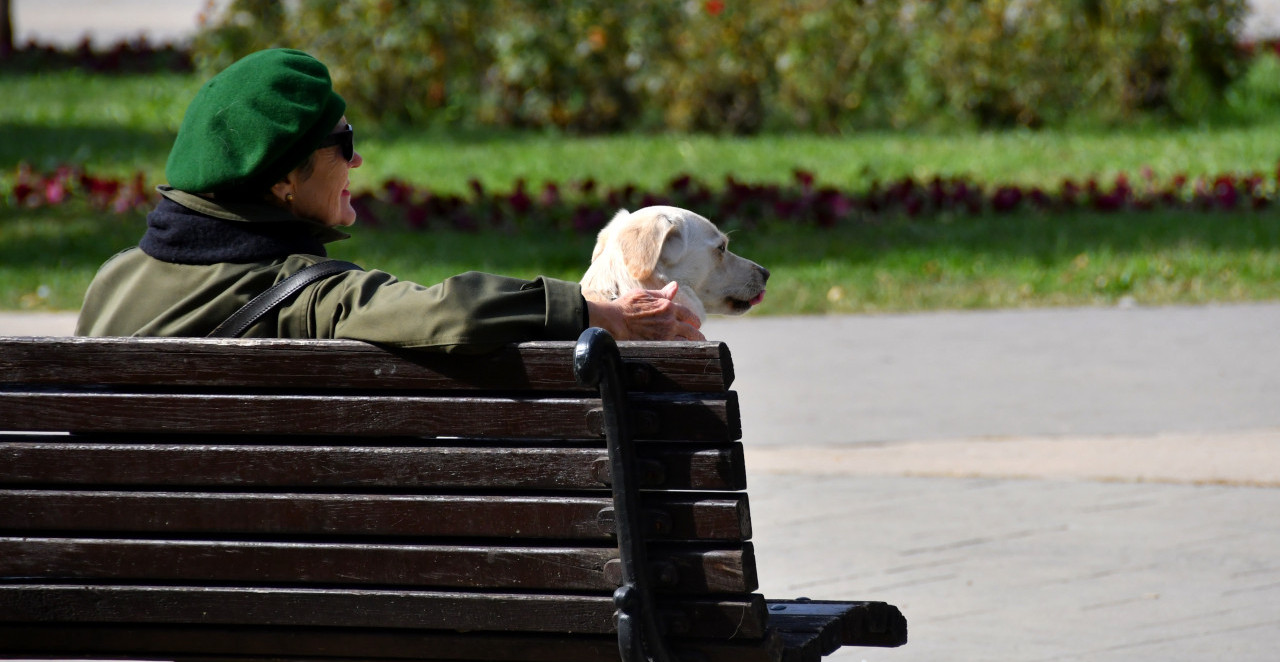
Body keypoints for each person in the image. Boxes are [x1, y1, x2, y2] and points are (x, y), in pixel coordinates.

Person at [76, 48, 703, 350]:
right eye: (343, 143)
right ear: (283, 181)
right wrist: (599, 313)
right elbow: (447, 315)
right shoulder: (304, 297)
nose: (357, 161)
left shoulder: (113, 282)